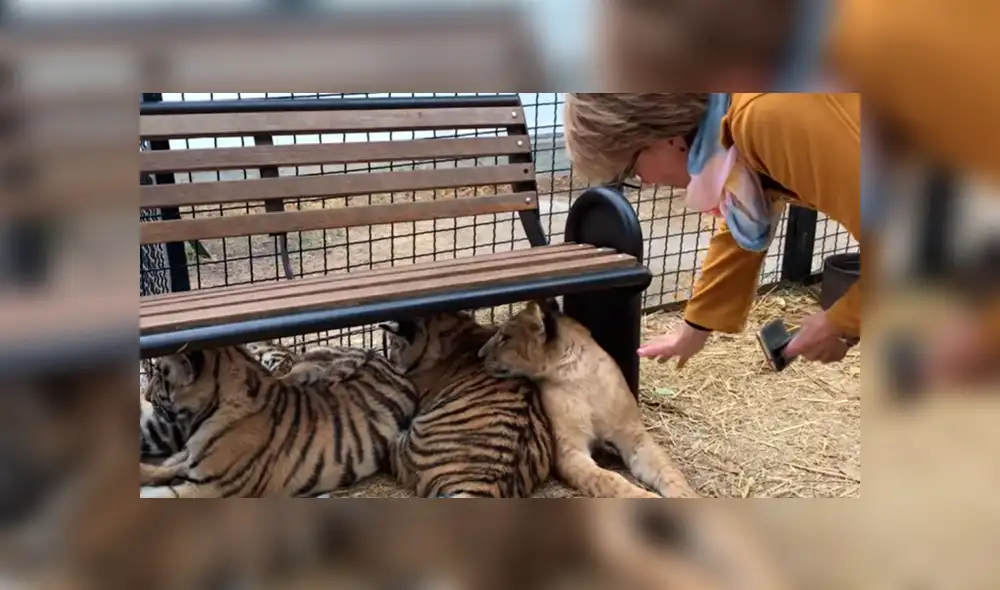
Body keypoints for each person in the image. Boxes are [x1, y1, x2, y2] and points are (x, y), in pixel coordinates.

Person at [563, 93, 861, 366]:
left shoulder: (767, 117)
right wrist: (694, 330)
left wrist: (839, 322)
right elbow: (744, 222)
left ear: (663, 137)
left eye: (631, 170)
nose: (646, 181)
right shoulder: (736, 127)